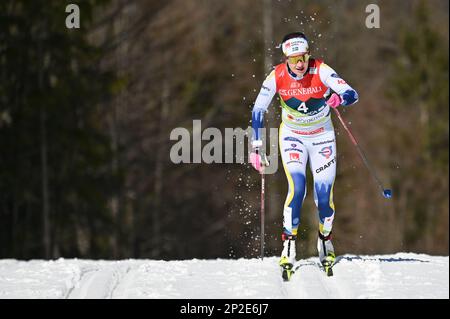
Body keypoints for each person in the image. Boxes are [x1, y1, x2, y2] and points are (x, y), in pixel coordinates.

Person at [249, 32, 359, 275]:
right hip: (293, 137)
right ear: (286, 58)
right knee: (297, 188)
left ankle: (325, 239)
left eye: (304, 57)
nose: (300, 64)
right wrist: (256, 147)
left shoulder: (321, 70)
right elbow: (258, 110)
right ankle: (289, 244)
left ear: (309, 54)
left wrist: (339, 99)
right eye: (294, 59)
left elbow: (352, 94)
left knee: (323, 198)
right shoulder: (276, 76)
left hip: (322, 138)